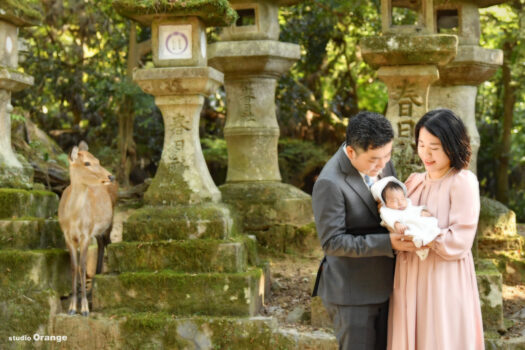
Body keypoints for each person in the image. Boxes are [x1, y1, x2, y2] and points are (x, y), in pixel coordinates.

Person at [311, 111, 417, 350]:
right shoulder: (330, 183)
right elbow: (333, 242)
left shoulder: (380, 157)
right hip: (352, 294)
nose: (382, 165)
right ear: (351, 152)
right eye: (374, 160)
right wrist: (388, 243)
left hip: (387, 285)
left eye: (387, 156)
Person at [387, 109, 484, 350]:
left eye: (435, 146)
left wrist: (422, 233)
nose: (426, 154)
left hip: (443, 278)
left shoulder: (462, 181)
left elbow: (460, 240)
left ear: (452, 145)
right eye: (421, 144)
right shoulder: (413, 181)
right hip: (409, 274)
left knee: (440, 337)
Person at [370, 176, 441, 260]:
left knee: (429, 222)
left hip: (413, 220)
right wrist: (396, 223)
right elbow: (388, 218)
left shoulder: (406, 204)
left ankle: (426, 237)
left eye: (402, 199)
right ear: (384, 202)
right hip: (404, 227)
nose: (400, 203)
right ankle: (418, 240)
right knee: (408, 230)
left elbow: (413, 209)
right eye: (394, 201)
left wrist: (421, 211)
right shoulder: (386, 211)